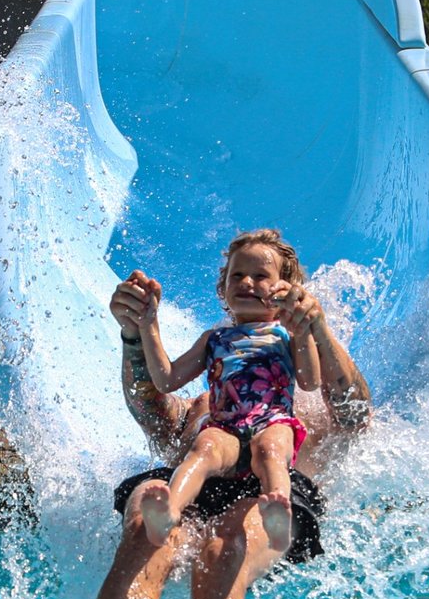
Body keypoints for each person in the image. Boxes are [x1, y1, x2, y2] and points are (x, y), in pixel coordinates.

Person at [57, 244, 372, 599]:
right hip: (191, 483)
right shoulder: (206, 396)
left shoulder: (300, 400)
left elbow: (355, 415)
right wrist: (134, 333)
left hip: (265, 497)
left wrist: (318, 329)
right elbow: (152, 407)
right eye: (238, 277)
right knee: (146, 522)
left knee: (226, 546)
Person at [131, 229, 321, 553]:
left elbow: (310, 380)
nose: (247, 282)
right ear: (224, 287)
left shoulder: (284, 336)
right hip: (226, 425)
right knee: (204, 447)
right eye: (238, 275)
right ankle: (169, 510)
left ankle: (278, 514)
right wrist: (149, 325)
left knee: (271, 451)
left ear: (285, 290)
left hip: (273, 420)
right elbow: (166, 380)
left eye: (260, 276)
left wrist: (302, 332)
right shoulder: (214, 339)